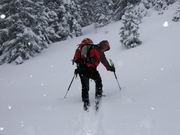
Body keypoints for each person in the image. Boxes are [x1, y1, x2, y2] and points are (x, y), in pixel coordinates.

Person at [73, 38, 115, 110]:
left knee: (85, 86)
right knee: (98, 80)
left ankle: (85, 101)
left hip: (81, 69)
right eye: (105, 48)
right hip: (90, 69)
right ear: (102, 45)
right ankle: (98, 96)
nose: (105, 50)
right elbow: (104, 62)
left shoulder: (90, 48)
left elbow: (81, 58)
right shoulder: (98, 50)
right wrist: (110, 68)